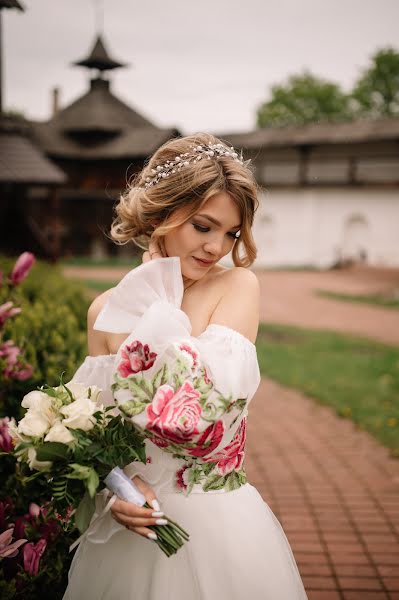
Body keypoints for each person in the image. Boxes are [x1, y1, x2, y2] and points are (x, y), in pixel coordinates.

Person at [62, 133, 308, 599]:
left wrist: (155, 299)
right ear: (162, 212)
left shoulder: (236, 288)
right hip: (130, 536)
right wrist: (116, 490)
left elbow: (197, 413)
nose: (217, 246)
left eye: (231, 233)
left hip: (218, 527)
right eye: (203, 226)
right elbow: (92, 431)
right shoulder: (103, 311)